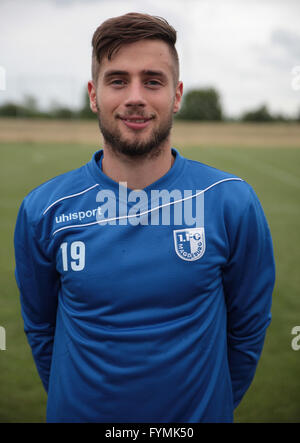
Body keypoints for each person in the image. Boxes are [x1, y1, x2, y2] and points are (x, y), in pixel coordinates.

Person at [14, 12, 275, 423]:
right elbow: (42, 332)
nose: (135, 96)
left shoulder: (230, 202)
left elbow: (247, 333)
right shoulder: (43, 210)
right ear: (93, 94)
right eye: (118, 80)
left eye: (153, 81)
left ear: (176, 95)